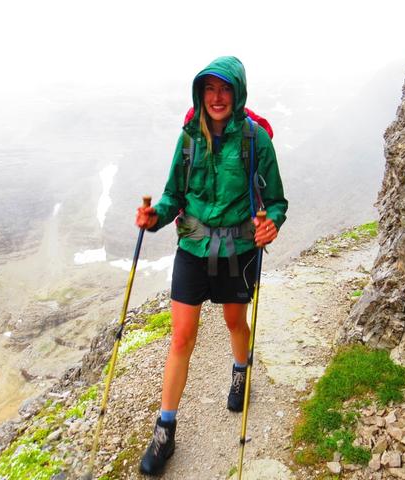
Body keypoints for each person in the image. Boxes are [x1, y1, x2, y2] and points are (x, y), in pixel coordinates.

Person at [134, 55, 288, 475]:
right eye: (209, 89)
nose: (217, 97)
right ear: (200, 94)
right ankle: (165, 430)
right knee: (181, 337)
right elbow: (173, 196)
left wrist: (271, 223)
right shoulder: (188, 139)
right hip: (193, 247)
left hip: (238, 250)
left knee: (235, 322)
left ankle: (240, 371)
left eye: (224, 89)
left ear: (237, 94)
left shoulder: (256, 140)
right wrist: (155, 217)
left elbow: (276, 200)